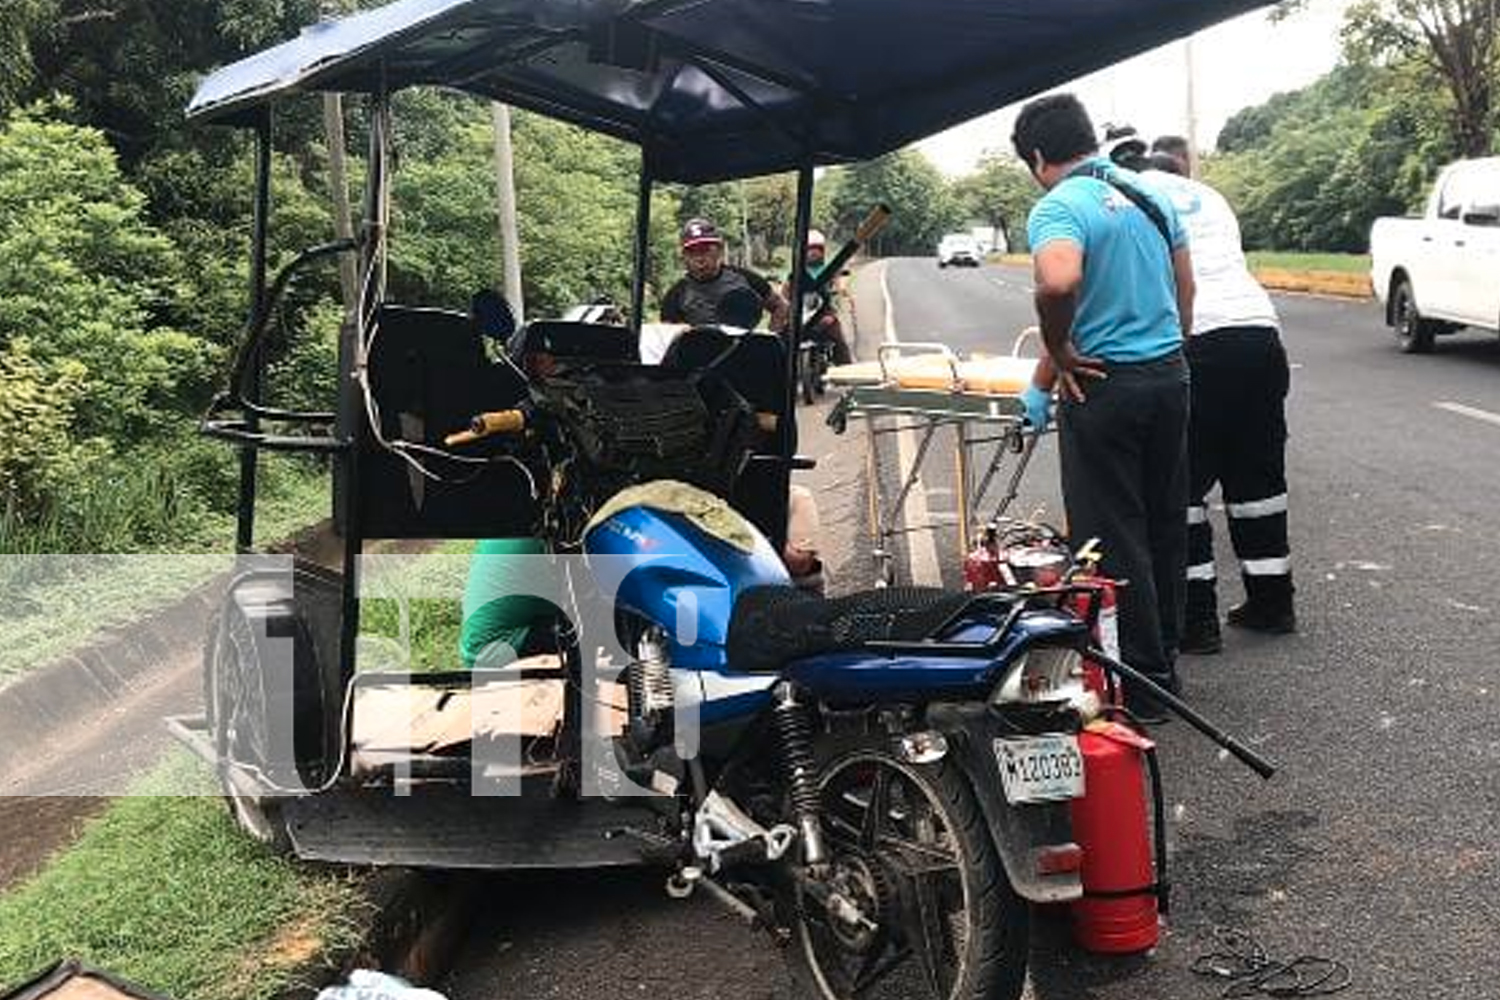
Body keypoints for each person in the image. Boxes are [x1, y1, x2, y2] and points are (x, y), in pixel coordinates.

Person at [1011, 93, 1196, 707]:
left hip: (1105, 385)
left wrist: (1056, 347)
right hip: (1169, 374)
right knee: (1165, 520)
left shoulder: (1060, 206)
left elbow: (1060, 280)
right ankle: (1166, 656)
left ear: (1038, 157)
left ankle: (1141, 684)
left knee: (1112, 533)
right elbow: (1184, 286)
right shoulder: (1153, 194)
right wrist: (1169, 350)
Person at [1137, 136, 1296, 651]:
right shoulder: (1212, 198)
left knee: (1183, 484)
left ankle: (1196, 622)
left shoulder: (1136, 196)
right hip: (1258, 335)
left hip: (1199, 339)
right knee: (1257, 481)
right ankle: (1273, 605)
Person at [660, 218, 788, 330]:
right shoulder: (676, 295)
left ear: (720, 250)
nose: (700, 259)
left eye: (705, 250)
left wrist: (772, 338)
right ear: (683, 257)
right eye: (692, 252)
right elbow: (667, 337)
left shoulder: (745, 279)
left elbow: (780, 306)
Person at [783, 228, 852, 365]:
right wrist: (786, 302)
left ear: (823, 250)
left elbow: (840, 285)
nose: (814, 252)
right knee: (783, 338)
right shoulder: (796, 272)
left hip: (824, 312)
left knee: (838, 339)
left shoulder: (830, 270)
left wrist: (841, 292)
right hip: (800, 313)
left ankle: (847, 371)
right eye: (810, 248)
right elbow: (785, 291)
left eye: (817, 248)